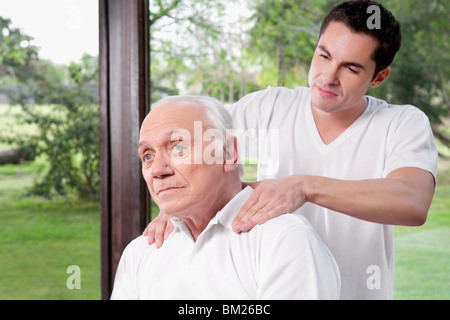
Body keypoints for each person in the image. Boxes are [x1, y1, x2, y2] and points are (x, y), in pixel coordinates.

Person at [144, 0, 438, 300]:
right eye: (323, 56)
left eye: (350, 68)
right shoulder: (266, 108)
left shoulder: (401, 123)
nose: (327, 77)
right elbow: (196, 153)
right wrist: (180, 205)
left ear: (378, 77)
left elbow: (413, 202)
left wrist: (304, 186)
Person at [111, 95, 340, 299]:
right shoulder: (140, 252)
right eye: (147, 155)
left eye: (178, 147)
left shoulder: (283, 239)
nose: (157, 170)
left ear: (229, 152)